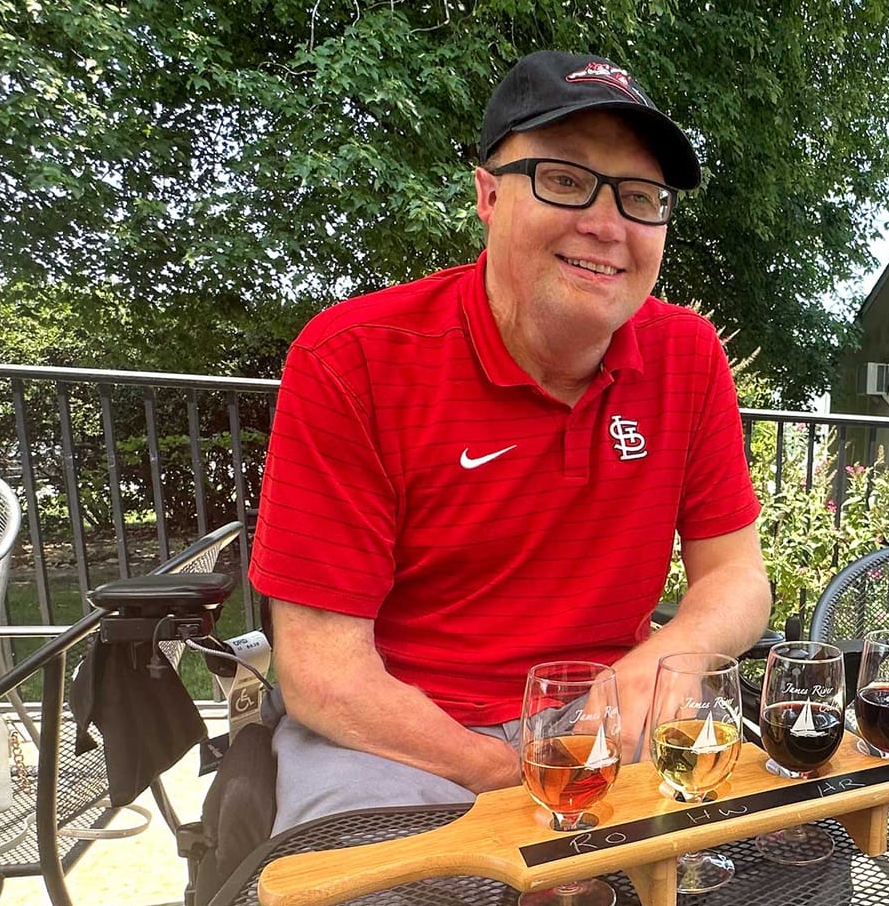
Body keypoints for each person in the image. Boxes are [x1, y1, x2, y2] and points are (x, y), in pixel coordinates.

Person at [249, 50, 773, 832]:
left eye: (640, 197)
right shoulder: (353, 357)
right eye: (565, 180)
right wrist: (513, 778)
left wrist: (681, 651)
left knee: (800, 855)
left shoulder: (688, 355)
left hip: (604, 724)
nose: (606, 224)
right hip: (399, 740)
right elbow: (324, 675)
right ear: (489, 194)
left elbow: (736, 575)